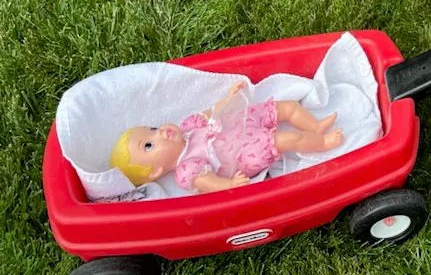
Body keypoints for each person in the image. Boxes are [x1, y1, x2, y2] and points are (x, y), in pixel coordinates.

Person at [110, 81, 344, 193]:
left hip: (239, 122)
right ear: (155, 172)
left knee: (288, 107)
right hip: (243, 152)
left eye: (152, 128)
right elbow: (208, 184)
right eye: (149, 144)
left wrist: (228, 99)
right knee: (285, 140)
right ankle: (322, 143)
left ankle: (315, 126)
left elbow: (212, 112)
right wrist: (230, 184)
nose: (159, 132)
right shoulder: (186, 170)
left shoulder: (188, 126)